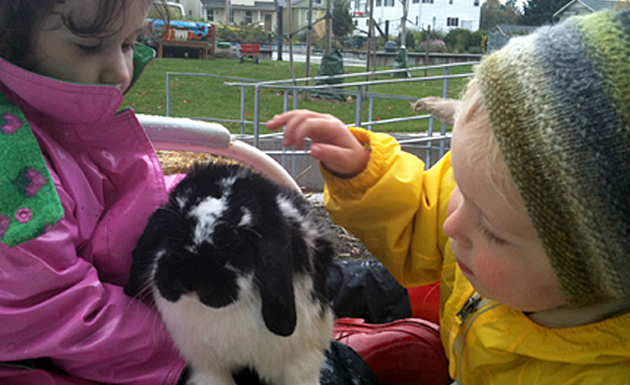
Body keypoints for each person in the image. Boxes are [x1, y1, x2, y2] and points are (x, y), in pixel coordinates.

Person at [267, 9, 630, 383]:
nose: (451, 221)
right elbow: (419, 217)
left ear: (588, 277)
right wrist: (364, 171)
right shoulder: (495, 203)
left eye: (491, 230)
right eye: (460, 185)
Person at [0, 1, 189, 384]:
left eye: (129, 43)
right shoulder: (13, 163)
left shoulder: (59, 121)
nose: (120, 71)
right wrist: (217, 344)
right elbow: (61, 316)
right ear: (10, 33)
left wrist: (192, 198)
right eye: (88, 46)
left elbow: (103, 206)